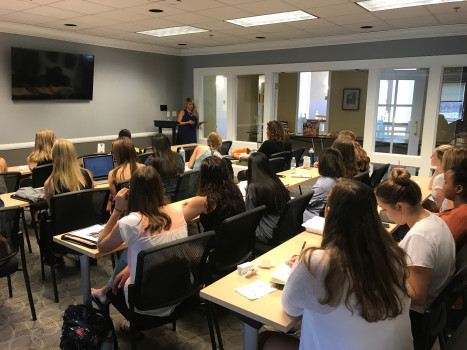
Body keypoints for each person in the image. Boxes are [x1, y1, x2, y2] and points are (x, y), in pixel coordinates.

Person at [263, 179, 412, 350]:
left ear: (329, 213)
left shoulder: (317, 263)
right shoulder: (394, 255)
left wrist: (300, 270)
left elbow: (290, 308)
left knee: (265, 339)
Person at [95, 166, 188, 332]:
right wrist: (131, 268)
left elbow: (101, 246)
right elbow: (163, 254)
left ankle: (132, 323)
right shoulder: (178, 213)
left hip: (146, 303)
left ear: (133, 192)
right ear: (160, 188)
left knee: (114, 289)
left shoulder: (131, 222)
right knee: (124, 272)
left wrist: (117, 210)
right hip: (179, 294)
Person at [375, 169, 455, 350]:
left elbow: (417, 296)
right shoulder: (434, 221)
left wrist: (379, 281)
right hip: (432, 310)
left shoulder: (420, 237)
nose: (385, 214)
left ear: (401, 206)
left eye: (385, 209)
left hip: (414, 317)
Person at [182, 156, 245, 232]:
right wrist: (193, 205)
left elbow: (180, 219)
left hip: (215, 242)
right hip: (238, 239)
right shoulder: (234, 189)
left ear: (203, 177)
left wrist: (194, 205)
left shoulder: (203, 200)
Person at [245, 152, 290, 243]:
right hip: (283, 227)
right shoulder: (275, 180)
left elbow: (249, 215)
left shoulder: (254, 187)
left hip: (266, 231)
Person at [44, 139, 94, 207]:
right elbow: (91, 200)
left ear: (54, 156)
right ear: (73, 154)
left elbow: (53, 211)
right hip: (90, 216)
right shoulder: (88, 174)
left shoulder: (49, 183)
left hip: (66, 217)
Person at [303, 148, 345, 221]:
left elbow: (304, 204)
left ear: (323, 163)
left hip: (315, 216)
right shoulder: (337, 179)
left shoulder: (323, 184)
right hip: (327, 213)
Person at [438, 158, 467, 251]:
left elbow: (438, 246)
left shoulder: (462, 215)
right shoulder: (460, 211)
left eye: (445, 182)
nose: (443, 185)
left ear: (458, 189)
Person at [146, 133, 185, 200]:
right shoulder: (178, 157)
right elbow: (182, 171)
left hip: (160, 197)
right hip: (179, 195)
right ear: (168, 144)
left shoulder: (151, 160)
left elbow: (145, 178)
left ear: (154, 147)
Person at [425, 144, 453, 212]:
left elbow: (439, 208)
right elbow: (430, 186)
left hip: (441, 215)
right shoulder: (447, 173)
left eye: (433, 156)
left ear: (441, 160)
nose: (430, 157)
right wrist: (439, 167)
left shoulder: (441, 178)